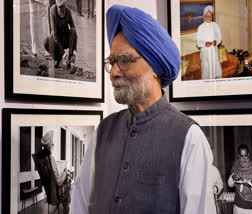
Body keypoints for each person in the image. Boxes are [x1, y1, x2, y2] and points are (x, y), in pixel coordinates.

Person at [70, 4, 214, 214]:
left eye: (125, 60)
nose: (113, 73)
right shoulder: (103, 131)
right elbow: (80, 206)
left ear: (155, 67)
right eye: (112, 62)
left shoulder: (189, 137)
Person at [40, 131, 72, 213]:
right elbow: (59, 182)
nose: (53, 146)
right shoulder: (51, 159)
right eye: (53, 144)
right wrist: (65, 172)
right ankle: (66, 210)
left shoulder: (42, 160)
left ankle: (60, 208)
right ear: (50, 146)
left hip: (49, 192)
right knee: (68, 183)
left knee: (66, 177)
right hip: (56, 193)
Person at [228, 144, 252, 214]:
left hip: (251, 206)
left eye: (246, 155)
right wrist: (233, 178)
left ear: (249, 154)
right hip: (238, 204)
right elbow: (230, 184)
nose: (244, 159)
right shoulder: (236, 165)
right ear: (238, 155)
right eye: (242, 156)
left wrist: (251, 185)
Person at [44, 0, 78, 69]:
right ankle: (57, 58)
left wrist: (74, 52)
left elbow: (74, 32)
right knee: (46, 41)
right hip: (56, 39)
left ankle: (70, 60)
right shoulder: (52, 11)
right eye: (60, 12)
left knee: (73, 31)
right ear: (57, 8)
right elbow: (55, 34)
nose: (62, 15)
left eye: (63, 12)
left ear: (65, 8)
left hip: (65, 39)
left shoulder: (68, 12)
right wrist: (63, 54)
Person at [196, 5, 222, 79]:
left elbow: (219, 38)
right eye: (207, 16)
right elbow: (198, 42)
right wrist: (205, 44)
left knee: (215, 72)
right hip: (205, 53)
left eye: (210, 16)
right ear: (204, 16)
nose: (208, 18)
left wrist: (216, 42)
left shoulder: (215, 25)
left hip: (214, 52)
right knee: (206, 72)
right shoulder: (200, 27)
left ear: (211, 16)